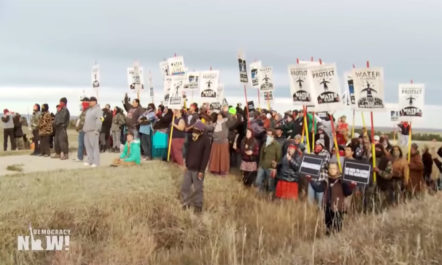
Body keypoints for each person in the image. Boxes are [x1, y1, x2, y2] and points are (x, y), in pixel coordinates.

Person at [307, 162, 357, 235]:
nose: (332, 170)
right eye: (330, 168)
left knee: (337, 228)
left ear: (337, 170)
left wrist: (352, 186)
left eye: (334, 168)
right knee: (328, 227)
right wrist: (310, 180)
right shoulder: (326, 180)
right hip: (328, 207)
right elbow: (319, 188)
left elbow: (347, 192)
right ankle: (327, 242)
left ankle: (336, 242)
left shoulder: (342, 181)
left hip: (339, 208)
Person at [181, 121, 211, 213]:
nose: (194, 132)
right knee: (185, 187)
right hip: (189, 168)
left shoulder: (206, 140)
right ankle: (186, 203)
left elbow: (205, 157)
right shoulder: (192, 139)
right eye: (194, 130)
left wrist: (201, 170)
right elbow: (188, 152)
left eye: (197, 130)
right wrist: (186, 164)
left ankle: (198, 206)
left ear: (202, 131)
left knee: (198, 189)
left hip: (198, 169)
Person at [208, 108, 236, 175]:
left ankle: (223, 170)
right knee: (215, 157)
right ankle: (214, 169)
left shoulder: (226, 123)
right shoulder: (215, 124)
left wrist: (224, 111)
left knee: (223, 157)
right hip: (215, 142)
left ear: (223, 116)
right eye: (218, 115)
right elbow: (208, 128)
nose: (218, 116)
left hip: (223, 143)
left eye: (220, 115)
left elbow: (231, 118)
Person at [255, 128, 281, 195]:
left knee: (270, 184)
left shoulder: (277, 145)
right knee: (258, 181)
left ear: (273, 136)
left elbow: (279, 158)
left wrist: (275, 168)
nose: (268, 136)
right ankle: (260, 195)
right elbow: (261, 155)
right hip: (262, 165)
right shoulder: (264, 144)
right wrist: (259, 165)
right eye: (267, 134)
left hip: (271, 167)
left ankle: (270, 196)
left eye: (269, 135)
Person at [308, 138, 330, 206]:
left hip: (321, 180)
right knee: (310, 201)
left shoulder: (326, 153)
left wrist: (314, 164)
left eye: (318, 145)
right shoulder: (312, 153)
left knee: (319, 202)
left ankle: (319, 214)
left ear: (322, 146)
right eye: (315, 145)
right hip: (312, 179)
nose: (316, 146)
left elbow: (323, 164)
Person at [82, 97, 103, 167]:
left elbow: (100, 119)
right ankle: (89, 160)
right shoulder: (88, 110)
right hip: (86, 131)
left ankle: (96, 162)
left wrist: (97, 129)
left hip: (93, 131)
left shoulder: (98, 110)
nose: (89, 102)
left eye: (91, 101)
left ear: (95, 102)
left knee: (95, 147)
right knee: (88, 147)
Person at [74, 97, 89, 162]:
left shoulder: (88, 112)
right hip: (82, 130)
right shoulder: (83, 112)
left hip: (84, 130)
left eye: (83, 102)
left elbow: (101, 119)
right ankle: (80, 157)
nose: (81, 104)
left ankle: (80, 157)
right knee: (82, 144)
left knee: (82, 144)